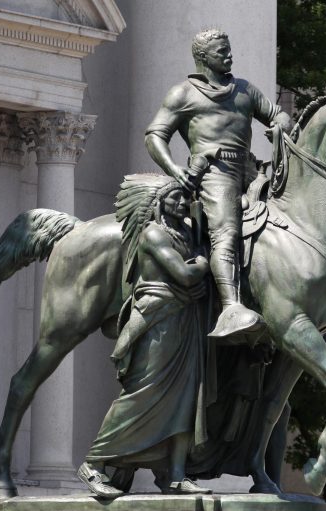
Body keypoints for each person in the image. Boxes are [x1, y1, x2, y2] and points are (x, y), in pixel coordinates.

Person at [145, 28, 292, 339]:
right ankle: (230, 307)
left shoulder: (245, 90)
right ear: (202, 57)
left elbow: (278, 116)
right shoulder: (182, 94)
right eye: (221, 51)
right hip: (214, 172)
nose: (229, 55)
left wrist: (280, 126)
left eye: (229, 49)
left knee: (289, 220)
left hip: (250, 170)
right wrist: (174, 168)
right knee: (227, 231)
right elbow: (155, 135)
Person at [77, 174, 213, 498]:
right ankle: (93, 464)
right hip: (158, 319)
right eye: (174, 197)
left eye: (184, 198)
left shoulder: (186, 235)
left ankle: (176, 475)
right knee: (143, 392)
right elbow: (183, 273)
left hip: (184, 318)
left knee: (185, 397)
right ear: (158, 202)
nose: (181, 203)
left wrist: (199, 248)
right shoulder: (154, 234)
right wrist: (204, 263)